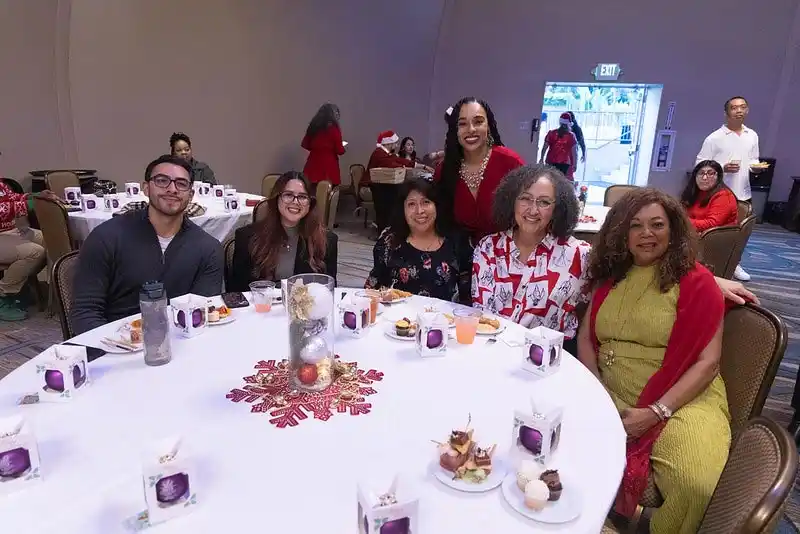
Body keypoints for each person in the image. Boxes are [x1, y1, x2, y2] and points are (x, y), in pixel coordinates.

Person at [577, 187, 730, 534]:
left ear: (673, 229)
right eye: (636, 226)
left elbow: (708, 362)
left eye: (657, 224)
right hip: (610, 392)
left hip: (682, 397)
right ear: (622, 233)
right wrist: (596, 392)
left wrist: (657, 412)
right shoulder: (611, 274)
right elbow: (586, 339)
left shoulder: (696, 282)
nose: (647, 234)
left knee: (696, 484)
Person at [71, 155, 223, 334]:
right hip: (114, 344)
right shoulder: (107, 237)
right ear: (146, 188)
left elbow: (201, 315)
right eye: (162, 181)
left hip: (182, 345)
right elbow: (85, 312)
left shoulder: (208, 248)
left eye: (181, 184)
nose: (172, 189)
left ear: (191, 194)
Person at [473, 165, 589, 355]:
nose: (533, 210)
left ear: (557, 208)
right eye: (525, 199)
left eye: (544, 202)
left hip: (547, 361)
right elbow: (481, 314)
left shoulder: (579, 255)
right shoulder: (488, 248)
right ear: (512, 201)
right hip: (491, 353)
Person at [365, 177, 471, 303]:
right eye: (411, 204)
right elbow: (373, 288)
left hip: (442, 319)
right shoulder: (389, 242)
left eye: (426, 202)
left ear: (436, 205)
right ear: (402, 209)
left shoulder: (456, 242)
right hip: (397, 318)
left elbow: (467, 296)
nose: (419, 211)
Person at [435, 97, 524, 242]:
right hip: (459, 257)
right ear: (455, 130)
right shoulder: (444, 170)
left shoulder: (511, 163)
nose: (471, 129)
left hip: (508, 254)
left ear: (488, 125)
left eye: (478, 122)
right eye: (462, 124)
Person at [229, 171, 337, 290]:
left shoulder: (327, 240)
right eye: (288, 195)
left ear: (310, 203)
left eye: (302, 197)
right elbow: (237, 293)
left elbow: (328, 290)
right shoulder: (247, 237)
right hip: (261, 306)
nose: (295, 202)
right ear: (277, 199)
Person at [696, 96, 762, 281]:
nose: (739, 110)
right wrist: (722, 167)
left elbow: (754, 160)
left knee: (741, 232)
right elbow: (700, 165)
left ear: (747, 110)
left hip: (744, 191)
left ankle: (734, 264)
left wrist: (755, 168)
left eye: (742, 107)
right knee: (717, 231)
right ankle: (711, 262)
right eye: (734, 108)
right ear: (727, 113)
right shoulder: (714, 138)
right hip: (720, 193)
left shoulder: (752, 135)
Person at [0, 179, 59, 321]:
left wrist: (36, 195)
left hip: (10, 231)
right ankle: (4, 295)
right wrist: (32, 204)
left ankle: (19, 284)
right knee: (34, 252)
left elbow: (12, 198)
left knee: (52, 241)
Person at [365, 131, 432, 233]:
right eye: (394, 143)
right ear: (388, 143)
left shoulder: (388, 154)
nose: (396, 145)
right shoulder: (379, 153)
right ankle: (384, 229)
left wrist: (423, 166)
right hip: (374, 185)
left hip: (383, 184)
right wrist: (403, 167)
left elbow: (401, 161)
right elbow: (391, 164)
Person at [681, 160, 737, 232]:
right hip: (694, 233)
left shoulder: (724, 195)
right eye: (701, 173)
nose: (704, 178)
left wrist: (683, 222)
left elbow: (712, 224)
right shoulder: (696, 191)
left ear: (718, 177)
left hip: (715, 238)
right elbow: (684, 212)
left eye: (710, 174)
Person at [301, 103, 346, 186]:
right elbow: (339, 150)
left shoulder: (313, 126)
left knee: (311, 192)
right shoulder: (333, 129)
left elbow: (305, 144)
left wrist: (318, 147)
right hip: (328, 165)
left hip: (312, 164)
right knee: (327, 194)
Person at [539, 113, 578, 177]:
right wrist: (574, 164)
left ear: (560, 122)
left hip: (550, 161)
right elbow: (574, 152)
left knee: (550, 180)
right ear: (569, 124)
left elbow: (544, 147)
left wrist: (541, 158)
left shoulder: (551, 133)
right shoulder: (571, 136)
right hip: (564, 163)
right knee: (560, 182)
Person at [566, 111, 586, 179]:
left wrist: (583, 153)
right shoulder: (563, 130)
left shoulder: (576, 129)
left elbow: (581, 141)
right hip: (565, 155)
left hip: (570, 154)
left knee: (568, 175)